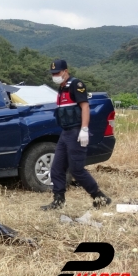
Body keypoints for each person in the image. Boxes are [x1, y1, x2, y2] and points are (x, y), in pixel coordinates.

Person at [41, 59, 111, 210]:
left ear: (66, 71)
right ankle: (58, 201)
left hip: (76, 132)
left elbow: (85, 107)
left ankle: (99, 197)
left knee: (76, 169)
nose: (55, 75)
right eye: (53, 73)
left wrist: (84, 129)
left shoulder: (75, 85)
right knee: (56, 168)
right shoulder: (61, 87)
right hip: (65, 133)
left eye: (58, 72)